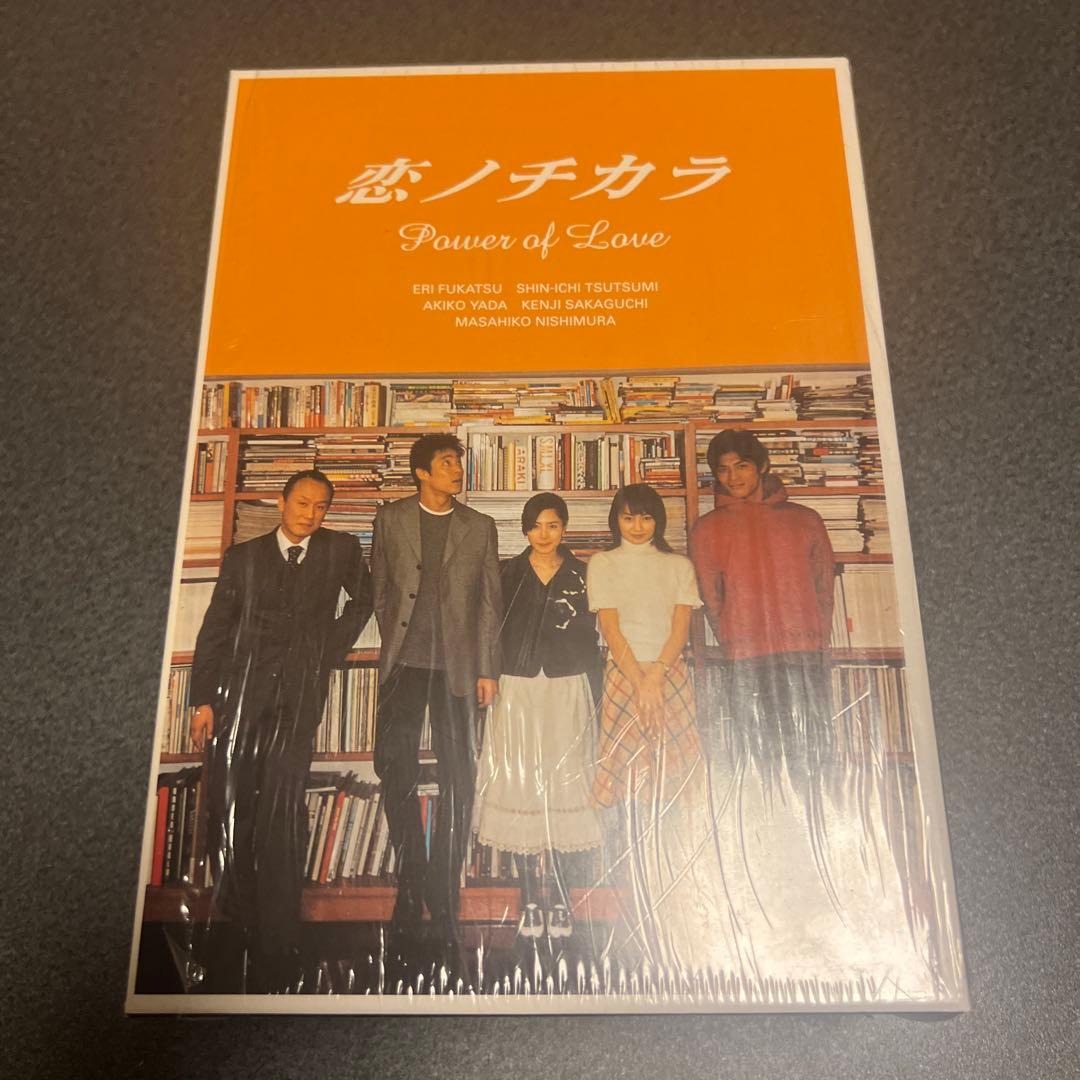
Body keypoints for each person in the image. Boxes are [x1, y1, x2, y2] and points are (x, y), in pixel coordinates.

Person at [688, 429, 938, 995]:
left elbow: (825, 587)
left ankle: (820, 889)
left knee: (811, 769)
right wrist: (736, 638)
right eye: (722, 469)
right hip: (747, 661)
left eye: (741, 466)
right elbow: (711, 596)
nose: (733, 477)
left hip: (803, 656)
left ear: (760, 465)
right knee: (759, 772)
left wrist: (813, 635)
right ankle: (769, 897)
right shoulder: (707, 530)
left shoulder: (804, 520)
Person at [189, 469, 372, 992]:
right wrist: (202, 700)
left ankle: (279, 938)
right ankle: (237, 924)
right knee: (234, 808)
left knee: (284, 811)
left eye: (320, 507)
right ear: (281, 502)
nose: (311, 514)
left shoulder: (339, 550)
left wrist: (328, 649)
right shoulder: (243, 558)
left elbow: (366, 600)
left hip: (298, 701)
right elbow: (215, 629)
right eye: (302, 503)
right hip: (239, 702)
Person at [586, 484, 734, 974]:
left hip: (669, 677)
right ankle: (628, 913)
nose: (637, 526)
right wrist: (639, 679)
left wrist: (656, 677)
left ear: (658, 521)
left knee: (673, 787)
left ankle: (671, 906)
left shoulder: (677, 566)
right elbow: (611, 630)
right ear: (616, 520)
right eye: (628, 518)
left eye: (646, 517)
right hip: (623, 678)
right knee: (628, 790)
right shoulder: (603, 564)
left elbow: (679, 629)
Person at [370, 433, 501, 955]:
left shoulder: (480, 526)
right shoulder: (390, 519)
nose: (456, 470)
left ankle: (445, 893)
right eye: (446, 462)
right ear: (422, 472)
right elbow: (381, 590)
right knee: (394, 770)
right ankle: (411, 882)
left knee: (459, 778)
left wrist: (487, 668)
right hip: (403, 666)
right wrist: (398, 638)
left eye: (457, 463)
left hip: (459, 671)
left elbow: (489, 604)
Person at [472, 493, 605, 940]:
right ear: (525, 529)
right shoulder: (506, 573)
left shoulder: (585, 574)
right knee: (523, 785)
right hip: (518, 687)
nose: (544, 534)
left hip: (568, 685)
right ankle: (530, 897)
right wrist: (487, 674)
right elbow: (487, 628)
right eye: (536, 526)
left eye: (553, 525)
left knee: (567, 782)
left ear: (564, 528)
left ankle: (562, 899)